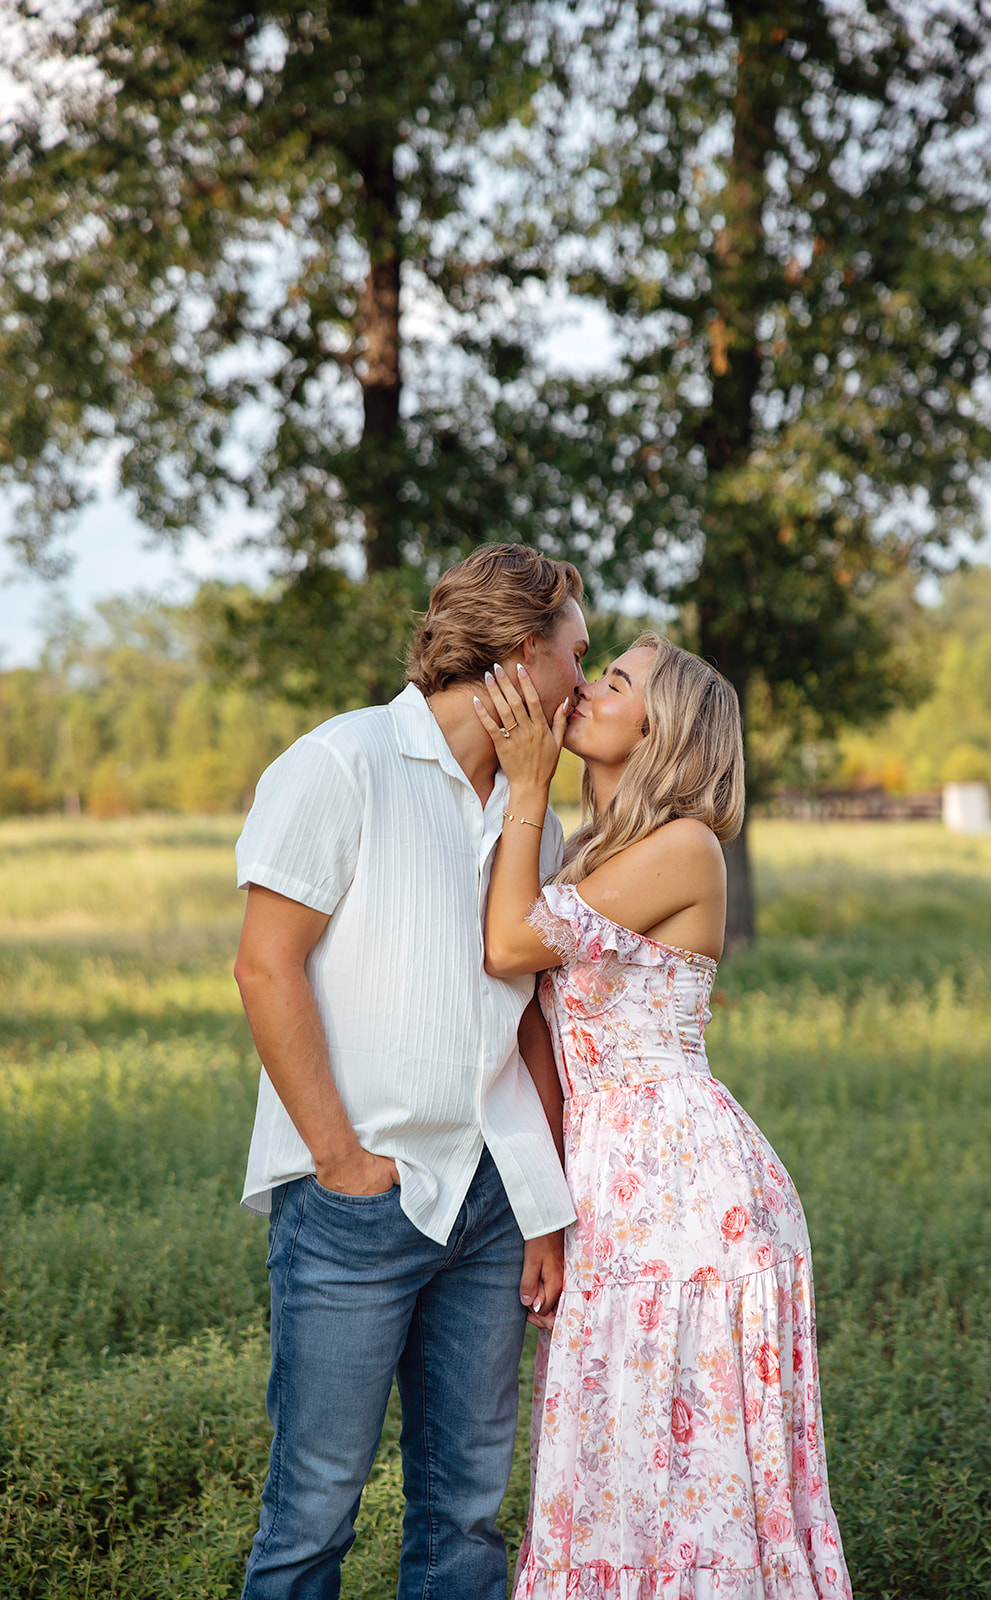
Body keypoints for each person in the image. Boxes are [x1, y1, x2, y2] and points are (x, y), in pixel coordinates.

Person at [232, 543, 593, 1600]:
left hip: (488, 1206)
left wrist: (539, 1204)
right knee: (313, 1507)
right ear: (525, 656)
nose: (586, 677)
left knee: (466, 1514)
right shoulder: (340, 762)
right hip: (356, 1200)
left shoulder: (539, 820)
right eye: (579, 654)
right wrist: (340, 1157)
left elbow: (529, 1015)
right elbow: (265, 965)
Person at [473, 635, 852, 1599]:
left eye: (615, 682)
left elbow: (511, 945)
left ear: (661, 725)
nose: (587, 691)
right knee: (612, 1447)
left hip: (681, 1185)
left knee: (682, 1458)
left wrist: (524, 784)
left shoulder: (684, 847)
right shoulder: (593, 852)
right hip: (609, 1176)